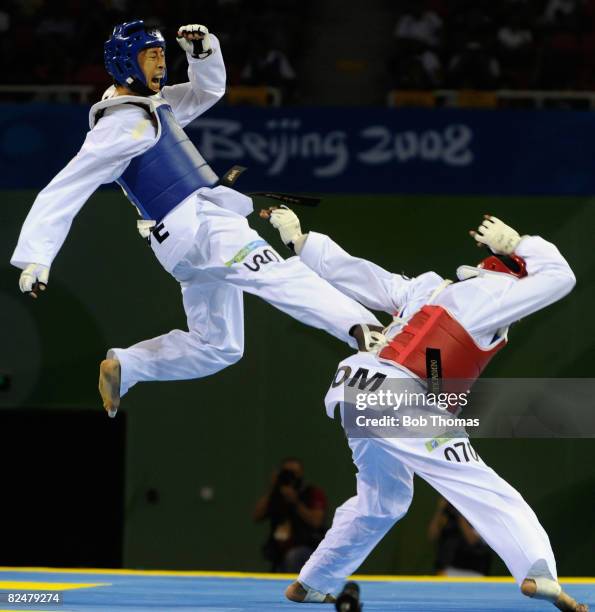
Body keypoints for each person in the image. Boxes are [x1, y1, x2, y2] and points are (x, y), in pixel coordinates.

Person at [10, 20, 381, 417]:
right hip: (202, 227)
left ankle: (129, 365)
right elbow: (67, 187)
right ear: (124, 64)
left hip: (181, 243)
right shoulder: (121, 126)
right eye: (149, 56)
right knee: (277, 274)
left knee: (219, 346)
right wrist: (36, 255)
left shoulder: (146, 104)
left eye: (161, 55)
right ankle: (363, 328)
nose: (159, 64)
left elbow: (208, 91)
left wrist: (202, 53)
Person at [267, 209, 586, 611]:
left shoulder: (430, 287)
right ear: (515, 273)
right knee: (476, 482)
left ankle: (313, 581)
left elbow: (366, 277)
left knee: (385, 498)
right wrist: (521, 243)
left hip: (355, 386)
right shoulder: (497, 295)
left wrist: (302, 242)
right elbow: (561, 276)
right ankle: (538, 570)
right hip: (397, 395)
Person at [253, 458, 327, 573]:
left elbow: (316, 522)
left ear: (301, 474)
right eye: (286, 472)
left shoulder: (312, 493)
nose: (291, 476)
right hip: (280, 549)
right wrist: (273, 488)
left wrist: (295, 502)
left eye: (294, 473)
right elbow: (256, 516)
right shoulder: (276, 495)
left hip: (307, 548)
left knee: (293, 557)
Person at [428, 496, 492, 577]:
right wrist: (440, 509)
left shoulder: (480, 512)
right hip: (448, 570)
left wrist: (460, 514)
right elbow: (432, 535)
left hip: (474, 572)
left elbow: (473, 540)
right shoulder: (447, 514)